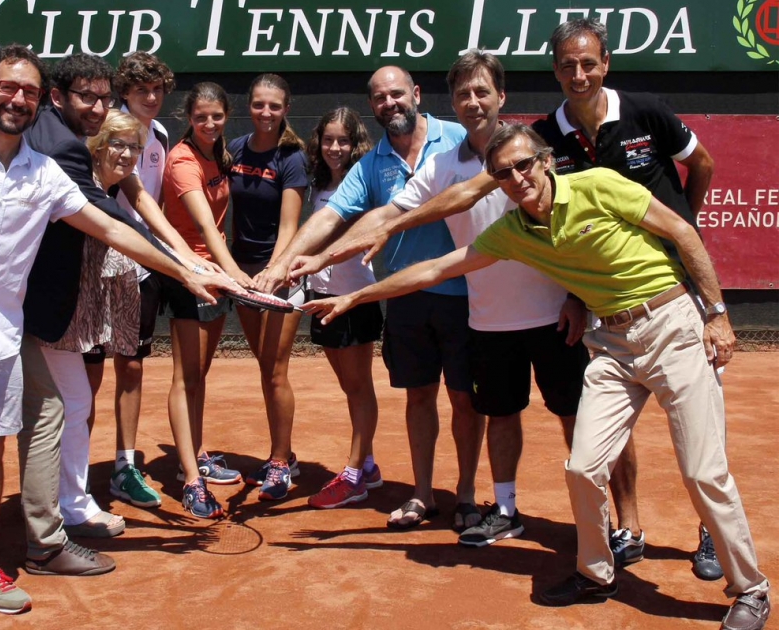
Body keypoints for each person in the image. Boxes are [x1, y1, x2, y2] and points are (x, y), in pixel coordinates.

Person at [303, 123, 769, 630]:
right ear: (496, 182)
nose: (517, 178)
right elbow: (438, 268)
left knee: (703, 471)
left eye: (524, 165)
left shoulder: (599, 186)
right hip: (610, 344)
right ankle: (596, 574)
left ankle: (750, 588)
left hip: (671, 323)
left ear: (545, 161)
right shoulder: (512, 232)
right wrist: (355, 296)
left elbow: (680, 230)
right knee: (583, 467)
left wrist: (718, 314)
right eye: (503, 173)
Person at [0, 44, 232, 630]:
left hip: (1, 335)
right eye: (8, 88)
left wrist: (184, 268)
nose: (17, 99)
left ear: (40, 102)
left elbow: (111, 226)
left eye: (28, 92)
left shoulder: (44, 173)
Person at [319, 50, 588, 540]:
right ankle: (499, 509)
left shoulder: (532, 149)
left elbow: (568, 226)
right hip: (488, 318)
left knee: (576, 420)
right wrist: (321, 259)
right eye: (463, 93)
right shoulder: (445, 162)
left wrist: (576, 297)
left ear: (501, 97)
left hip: (550, 313)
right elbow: (392, 215)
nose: (472, 102)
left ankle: (611, 521)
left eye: (482, 91)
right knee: (498, 416)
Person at [18, 54, 234, 575]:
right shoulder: (61, 148)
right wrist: (187, 271)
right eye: (84, 97)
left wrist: (188, 261)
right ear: (58, 98)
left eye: (101, 97)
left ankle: (66, 509)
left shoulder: (66, 138)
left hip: (52, 303)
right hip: (19, 305)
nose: (96, 107)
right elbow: (117, 225)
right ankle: (41, 530)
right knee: (2, 419)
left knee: (68, 404)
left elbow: (140, 212)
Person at [532, 17, 720, 577]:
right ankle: (629, 527)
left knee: (699, 431)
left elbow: (702, 164)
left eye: (588, 63)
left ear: (605, 63)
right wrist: (573, 294)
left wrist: (685, 227)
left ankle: (710, 532)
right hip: (608, 302)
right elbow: (563, 224)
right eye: (567, 65)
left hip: (677, 289)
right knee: (614, 426)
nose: (579, 74)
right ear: (556, 70)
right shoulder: (548, 137)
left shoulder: (645, 112)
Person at [256, 66, 480, 530]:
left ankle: (467, 497)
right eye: (380, 98)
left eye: (397, 94)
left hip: (465, 294)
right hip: (404, 298)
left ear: (416, 93)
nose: (390, 104)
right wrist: (284, 264)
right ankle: (422, 496)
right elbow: (332, 216)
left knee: (464, 400)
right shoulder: (373, 162)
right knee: (418, 398)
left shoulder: (459, 137)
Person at [77, 52, 177, 511]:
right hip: (94, 267)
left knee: (132, 366)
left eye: (157, 90)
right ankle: (74, 474)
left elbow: (150, 207)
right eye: (142, 91)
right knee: (86, 377)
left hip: (142, 267)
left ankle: (123, 466)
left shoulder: (156, 137)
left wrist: (177, 257)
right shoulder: (94, 144)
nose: (152, 98)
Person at [162, 82, 249, 518]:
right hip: (189, 275)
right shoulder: (182, 160)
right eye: (201, 117)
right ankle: (191, 482)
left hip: (214, 277)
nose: (210, 123)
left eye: (216, 116)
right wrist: (233, 272)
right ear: (188, 118)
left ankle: (193, 454)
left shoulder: (220, 153)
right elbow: (205, 226)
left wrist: (225, 274)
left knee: (200, 374)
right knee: (185, 377)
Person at [227, 74, 309, 501]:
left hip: (281, 276)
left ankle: (280, 464)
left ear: (286, 109)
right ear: (249, 105)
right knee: (265, 367)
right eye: (259, 104)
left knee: (276, 372)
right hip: (243, 276)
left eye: (274, 106)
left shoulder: (291, 157)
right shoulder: (235, 149)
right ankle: (285, 453)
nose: (266, 112)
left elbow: (290, 227)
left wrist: (273, 275)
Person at [299, 108, 384, 509]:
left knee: (358, 386)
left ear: (355, 144)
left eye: (343, 141)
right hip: (321, 298)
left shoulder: (364, 185)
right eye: (328, 139)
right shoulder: (316, 185)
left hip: (354, 299)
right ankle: (367, 464)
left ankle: (354, 474)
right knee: (350, 388)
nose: (334, 148)